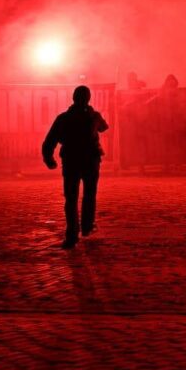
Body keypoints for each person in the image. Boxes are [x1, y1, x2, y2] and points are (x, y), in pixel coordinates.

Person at [41, 85, 110, 248]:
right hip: (91, 160)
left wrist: (49, 158)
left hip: (71, 160)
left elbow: (50, 140)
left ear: (73, 98)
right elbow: (104, 127)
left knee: (71, 198)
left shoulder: (63, 118)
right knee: (89, 194)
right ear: (88, 98)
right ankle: (87, 226)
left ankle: (72, 234)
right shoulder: (93, 116)